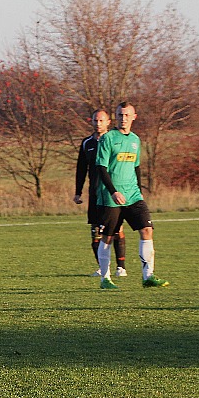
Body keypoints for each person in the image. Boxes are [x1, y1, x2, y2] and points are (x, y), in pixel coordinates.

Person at [95, 102, 169, 289]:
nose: (123, 118)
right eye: (120, 115)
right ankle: (105, 279)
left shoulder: (136, 140)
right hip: (111, 197)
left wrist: (139, 191)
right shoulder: (108, 138)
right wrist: (113, 191)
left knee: (147, 230)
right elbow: (101, 168)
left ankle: (148, 277)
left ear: (134, 117)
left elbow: (136, 167)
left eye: (127, 115)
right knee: (108, 237)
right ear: (116, 116)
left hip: (133, 195)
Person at [73, 109, 126, 277]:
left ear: (108, 122)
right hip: (95, 193)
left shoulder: (115, 140)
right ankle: (104, 268)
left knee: (116, 229)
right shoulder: (87, 143)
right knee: (96, 232)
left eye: (101, 120)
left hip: (112, 192)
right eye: (95, 120)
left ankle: (121, 267)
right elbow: (81, 169)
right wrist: (78, 192)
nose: (98, 123)